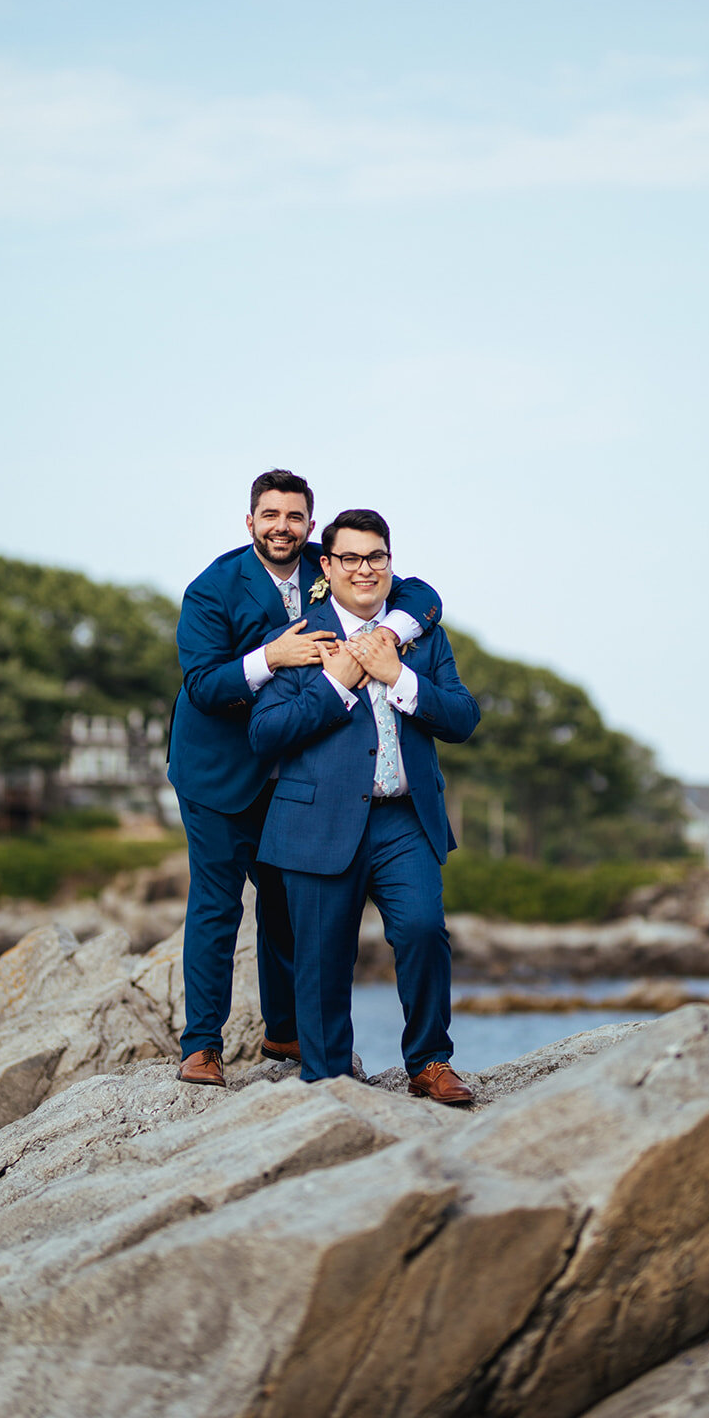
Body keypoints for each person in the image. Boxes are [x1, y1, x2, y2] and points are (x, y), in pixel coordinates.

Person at [167, 472, 443, 1087]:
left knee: (288, 906)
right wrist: (273, 658)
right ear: (249, 523)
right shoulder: (212, 589)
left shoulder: (329, 567)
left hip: (295, 773)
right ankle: (202, 1045)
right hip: (219, 772)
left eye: (294, 517)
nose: (281, 527)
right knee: (216, 906)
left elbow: (423, 596)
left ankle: (285, 1028)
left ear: (310, 527)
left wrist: (391, 634)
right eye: (270, 516)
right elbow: (204, 687)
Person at [248, 508, 480, 1104]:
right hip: (316, 819)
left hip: (404, 817)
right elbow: (265, 733)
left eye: (376, 556)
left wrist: (398, 676)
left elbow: (462, 717)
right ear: (326, 565)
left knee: (425, 930)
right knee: (323, 957)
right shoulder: (298, 633)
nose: (364, 568)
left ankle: (429, 1061)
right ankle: (328, 1080)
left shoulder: (420, 636)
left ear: (389, 562)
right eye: (349, 557)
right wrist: (336, 684)